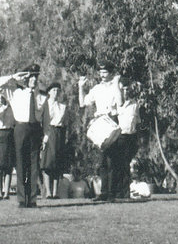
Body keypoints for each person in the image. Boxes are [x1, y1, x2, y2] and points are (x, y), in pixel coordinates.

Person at [0, 64, 45, 208]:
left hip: (35, 129)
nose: (34, 80)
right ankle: (22, 199)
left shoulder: (41, 95)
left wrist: (45, 134)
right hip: (21, 128)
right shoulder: (15, 92)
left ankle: (33, 199)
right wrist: (13, 77)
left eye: (36, 76)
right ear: (25, 78)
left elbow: (45, 118)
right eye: (31, 77)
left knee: (34, 164)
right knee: (21, 164)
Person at [78, 61, 123, 202]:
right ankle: (104, 192)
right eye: (101, 72)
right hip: (100, 121)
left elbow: (120, 102)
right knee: (103, 160)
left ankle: (111, 193)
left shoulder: (116, 86)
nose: (102, 75)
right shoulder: (97, 88)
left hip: (112, 119)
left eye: (105, 72)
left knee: (112, 160)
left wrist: (116, 85)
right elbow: (83, 103)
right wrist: (80, 87)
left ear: (111, 73)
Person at [41, 83, 69, 199]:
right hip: (48, 132)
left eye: (58, 90)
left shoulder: (62, 106)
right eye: (53, 90)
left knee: (57, 163)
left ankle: (55, 192)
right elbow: (42, 122)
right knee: (47, 163)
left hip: (59, 133)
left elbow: (65, 123)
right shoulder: (44, 105)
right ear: (49, 92)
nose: (55, 93)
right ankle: (48, 192)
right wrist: (43, 137)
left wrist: (65, 136)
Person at [114, 79, 140, 199]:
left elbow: (138, 122)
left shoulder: (135, 105)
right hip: (120, 136)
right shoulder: (116, 105)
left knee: (127, 165)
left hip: (131, 137)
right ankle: (119, 192)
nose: (125, 92)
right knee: (120, 164)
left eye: (127, 90)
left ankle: (125, 192)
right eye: (122, 90)